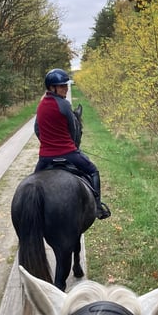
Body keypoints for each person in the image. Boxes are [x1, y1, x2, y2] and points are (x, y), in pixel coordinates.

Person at [33, 68, 111, 219]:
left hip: (45, 158)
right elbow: (73, 129)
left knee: (32, 183)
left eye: (66, 85)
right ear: (52, 87)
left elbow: (37, 129)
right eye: (62, 86)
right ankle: (98, 207)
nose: (66, 89)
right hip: (68, 153)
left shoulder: (40, 105)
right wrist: (72, 147)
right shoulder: (65, 105)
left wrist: (48, 143)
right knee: (93, 170)